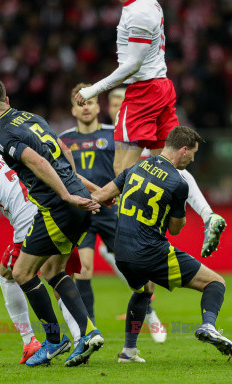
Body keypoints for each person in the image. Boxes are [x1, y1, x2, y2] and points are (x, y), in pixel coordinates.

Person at [75, 0, 226, 258]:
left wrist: (95, 89)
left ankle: (140, 238)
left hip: (143, 92)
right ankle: (207, 215)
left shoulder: (139, 13)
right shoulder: (144, 1)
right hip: (161, 87)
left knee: (122, 169)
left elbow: (131, 65)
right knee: (166, 165)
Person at [0, 78, 103, 368]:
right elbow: (64, 153)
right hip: (76, 198)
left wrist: (66, 195)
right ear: (7, 98)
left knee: (21, 272)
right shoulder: (34, 117)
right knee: (53, 269)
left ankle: (55, 340)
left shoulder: (1, 133)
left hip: (59, 206)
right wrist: (86, 190)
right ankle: (88, 332)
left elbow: (37, 162)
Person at [92, 126, 232, 362]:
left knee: (143, 290)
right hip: (150, 251)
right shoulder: (179, 183)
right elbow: (175, 229)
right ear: (182, 150)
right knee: (215, 282)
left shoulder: (134, 167)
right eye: (193, 152)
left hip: (122, 253)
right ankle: (208, 326)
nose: (193, 158)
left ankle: (128, 352)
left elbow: (102, 195)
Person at [0, 124, 82, 364]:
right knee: (57, 277)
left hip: (30, 230)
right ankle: (81, 338)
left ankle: (32, 340)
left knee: (7, 274)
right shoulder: (9, 156)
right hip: (55, 217)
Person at [60, 83, 166, 343]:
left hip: (111, 210)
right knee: (83, 269)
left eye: (91, 102)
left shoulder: (114, 134)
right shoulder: (64, 140)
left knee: (133, 265)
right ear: (73, 110)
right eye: (80, 104)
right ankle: (89, 331)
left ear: (99, 106)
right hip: (82, 212)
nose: (86, 108)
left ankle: (149, 311)